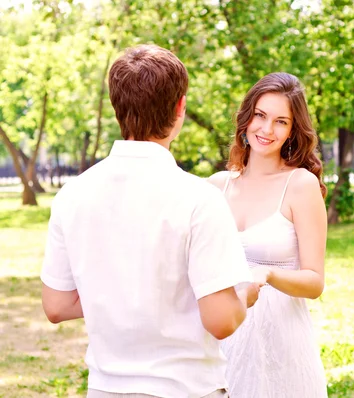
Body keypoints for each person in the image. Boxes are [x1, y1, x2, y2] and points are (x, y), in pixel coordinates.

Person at [40, 44, 259, 398]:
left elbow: (57, 305)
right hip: (186, 389)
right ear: (180, 107)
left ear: (116, 107)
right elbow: (221, 320)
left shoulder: (72, 195)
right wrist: (243, 295)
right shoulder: (200, 198)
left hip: (105, 389)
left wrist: (122, 297)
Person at [208, 72, 328, 397]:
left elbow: (315, 282)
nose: (266, 129)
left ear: (292, 130)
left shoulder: (300, 185)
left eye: (280, 121)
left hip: (281, 343)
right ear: (247, 118)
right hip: (224, 335)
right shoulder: (217, 187)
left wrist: (270, 273)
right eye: (260, 115)